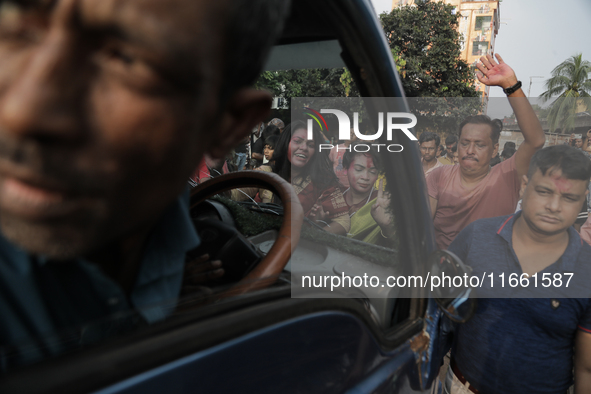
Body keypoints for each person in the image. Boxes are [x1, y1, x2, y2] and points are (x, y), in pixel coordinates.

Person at [0, 0, 291, 369]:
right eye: (16, 30)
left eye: (124, 58)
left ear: (228, 126)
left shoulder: (162, 230)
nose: (20, 113)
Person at [445, 145, 591, 393]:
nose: (554, 206)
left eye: (568, 198)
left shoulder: (587, 269)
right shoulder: (477, 236)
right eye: (544, 191)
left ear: (583, 199)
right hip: (460, 385)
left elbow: (586, 367)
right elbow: (441, 312)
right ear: (524, 186)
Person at [427, 54, 546, 250]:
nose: (470, 150)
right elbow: (423, 229)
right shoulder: (439, 176)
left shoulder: (507, 177)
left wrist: (511, 84)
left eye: (480, 145)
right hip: (442, 271)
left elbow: (536, 140)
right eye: (465, 143)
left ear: (494, 150)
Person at [272, 121, 350, 235]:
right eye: (297, 141)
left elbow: (344, 222)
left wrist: (313, 234)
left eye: (310, 145)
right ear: (285, 143)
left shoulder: (323, 181)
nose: (304, 148)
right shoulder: (266, 173)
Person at [341, 144, 395, 245]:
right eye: (358, 169)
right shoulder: (332, 197)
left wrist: (387, 228)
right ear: (345, 169)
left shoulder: (383, 204)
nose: (365, 177)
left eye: (372, 171)